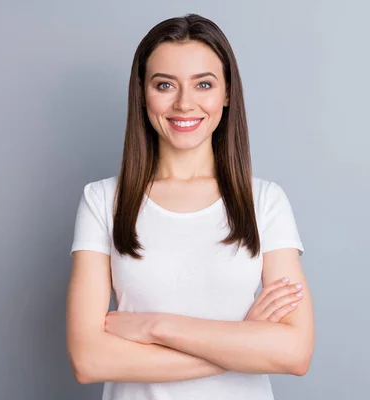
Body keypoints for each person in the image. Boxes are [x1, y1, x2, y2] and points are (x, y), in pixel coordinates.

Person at [66, 13, 315, 400]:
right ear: (142, 93)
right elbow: (89, 360)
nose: (185, 103)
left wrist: (156, 328)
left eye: (204, 84)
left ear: (227, 94)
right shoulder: (102, 201)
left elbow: (295, 353)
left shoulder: (264, 201)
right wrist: (244, 343)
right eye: (165, 85)